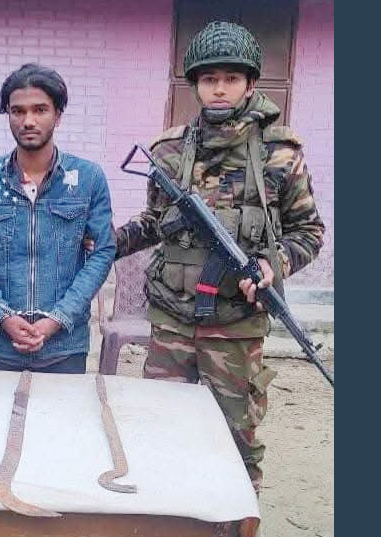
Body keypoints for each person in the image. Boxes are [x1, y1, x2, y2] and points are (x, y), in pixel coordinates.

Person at [114, 21, 326, 496]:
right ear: (195, 85)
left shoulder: (279, 152)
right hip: (171, 320)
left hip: (235, 327)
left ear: (250, 83)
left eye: (231, 78)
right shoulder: (169, 150)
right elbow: (155, 222)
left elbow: (309, 232)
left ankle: (233, 521)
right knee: (160, 430)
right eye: (210, 79)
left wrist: (273, 264)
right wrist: (110, 242)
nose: (220, 89)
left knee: (235, 441)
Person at [0, 63, 115, 373]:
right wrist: (2, 316)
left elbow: (102, 253)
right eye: (18, 111)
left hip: (64, 346)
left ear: (58, 115)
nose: (28, 121)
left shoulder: (87, 179)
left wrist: (58, 319)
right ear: (8, 115)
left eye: (40, 110)